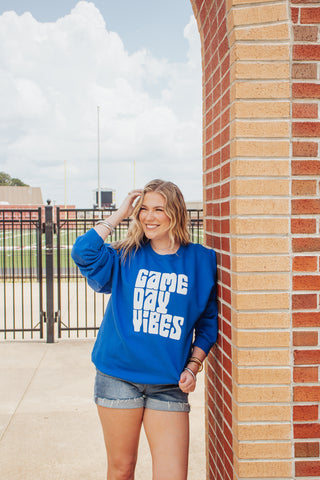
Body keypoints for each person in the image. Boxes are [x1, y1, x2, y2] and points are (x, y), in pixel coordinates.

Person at [71, 179, 218, 480]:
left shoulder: (201, 260)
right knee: (122, 469)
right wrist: (119, 214)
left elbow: (207, 322)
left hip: (168, 382)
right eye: (144, 210)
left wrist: (193, 366)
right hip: (118, 378)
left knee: (172, 475)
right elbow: (83, 252)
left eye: (159, 209)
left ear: (175, 213)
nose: (149, 217)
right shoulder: (125, 255)